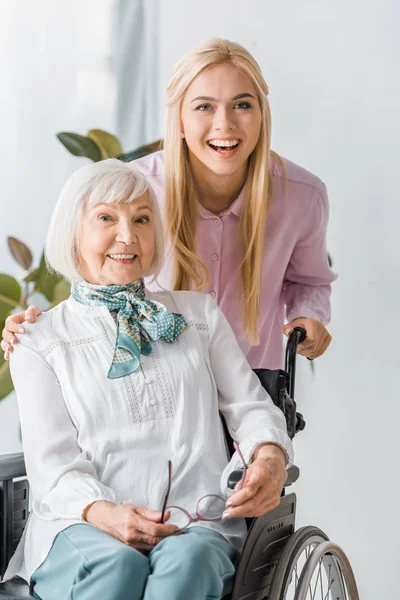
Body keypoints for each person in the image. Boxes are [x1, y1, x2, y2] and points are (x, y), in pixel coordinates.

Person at [3, 160, 293, 600]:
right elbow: (54, 465)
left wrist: (270, 457)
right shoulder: (37, 338)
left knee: (187, 566)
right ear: (73, 232)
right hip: (80, 523)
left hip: (196, 520)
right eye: (106, 218)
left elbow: (251, 408)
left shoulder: (198, 317)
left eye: (141, 219)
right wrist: (106, 514)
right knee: (116, 566)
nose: (128, 236)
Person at [2, 38, 336, 367]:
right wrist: (42, 329)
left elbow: (309, 280)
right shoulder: (134, 190)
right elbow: (94, 282)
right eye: (204, 106)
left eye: (242, 105)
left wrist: (309, 317)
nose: (225, 123)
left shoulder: (303, 196)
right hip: (154, 390)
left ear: (262, 114)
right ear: (179, 118)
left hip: (255, 388)